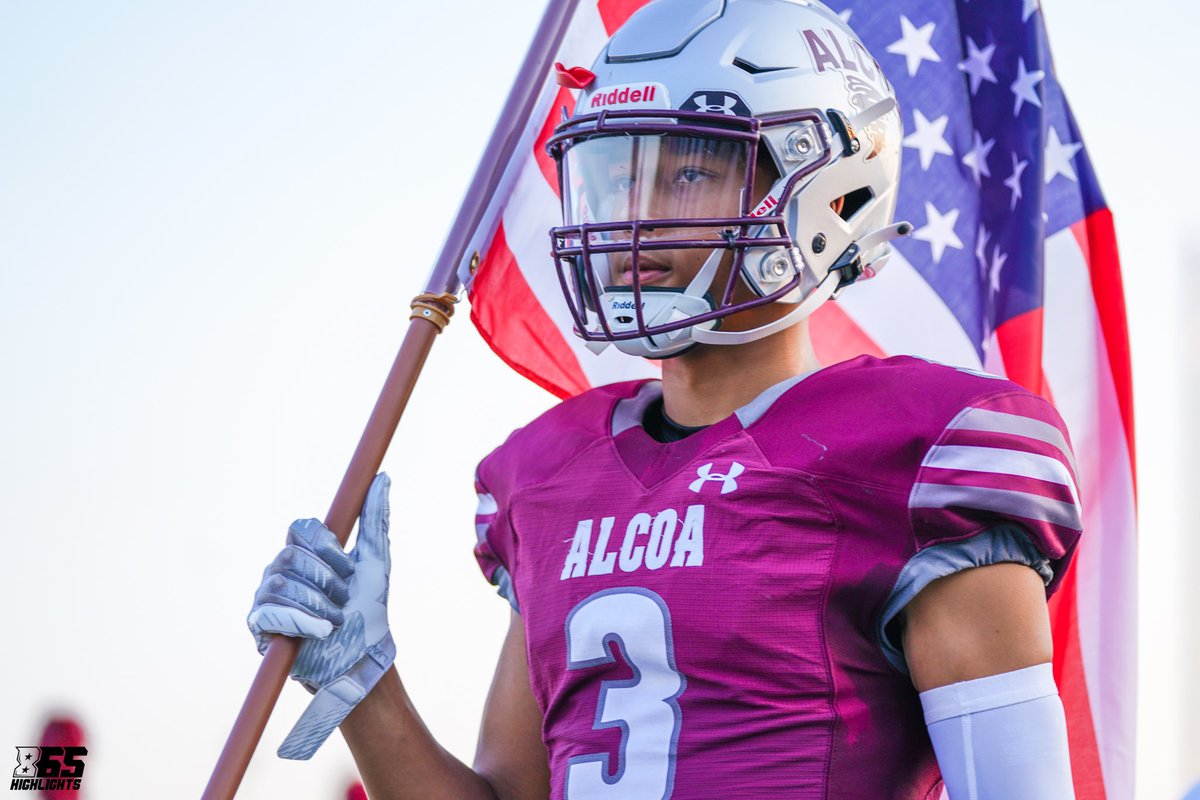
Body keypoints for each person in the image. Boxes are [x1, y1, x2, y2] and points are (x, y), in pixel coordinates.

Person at [247, 1, 1081, 797]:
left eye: (685, 172)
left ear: (829, 189)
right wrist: (367, 686)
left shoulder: (922, 455)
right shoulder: (547, 478)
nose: (634, 215)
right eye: (617, 177)